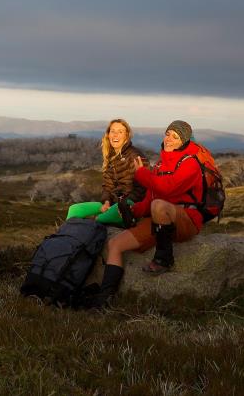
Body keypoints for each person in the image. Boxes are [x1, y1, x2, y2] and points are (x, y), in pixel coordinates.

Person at [86, 120, 204, 308]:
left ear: (184, 141)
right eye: (168, 134)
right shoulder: (160, 165)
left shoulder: (190, 164)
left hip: (186, 220)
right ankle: (105, 298)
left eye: (176, 137)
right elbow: (149, 198)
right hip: (159, 222)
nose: (169, 139)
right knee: (115, 244)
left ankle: (163, 259)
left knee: (159, 205)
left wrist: (141, 174)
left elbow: (167, 190)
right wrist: (133, 209)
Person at [66, 118, 149, 224]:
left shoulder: (135, 156)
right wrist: (106, 202)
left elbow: (143, 188)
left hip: (128, 205)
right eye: (113, 131)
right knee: (74, 209)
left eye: (120, 132)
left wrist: (121, 204)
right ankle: (66, 237)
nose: (115, 135)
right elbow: (107, 186)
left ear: (127, 136)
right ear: (108, 134)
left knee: (100, 219)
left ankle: (89, 229)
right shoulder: (110, 157)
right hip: (113, 203)